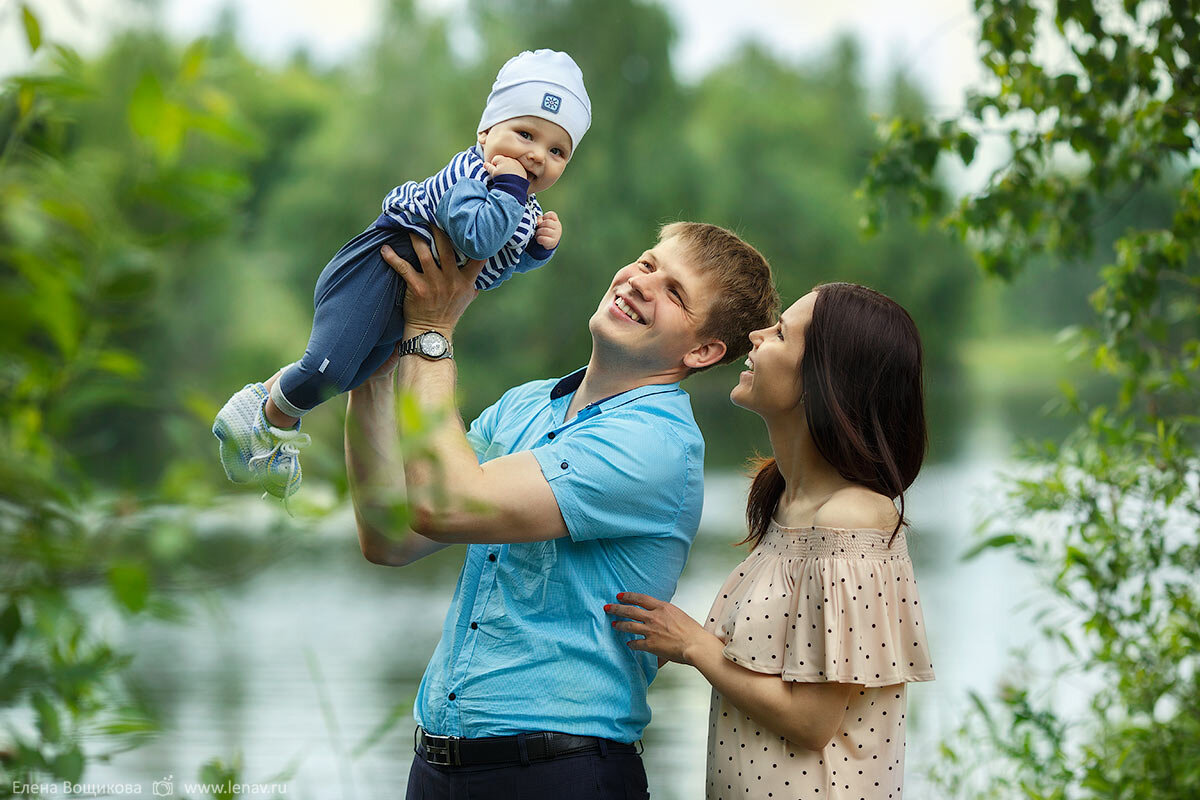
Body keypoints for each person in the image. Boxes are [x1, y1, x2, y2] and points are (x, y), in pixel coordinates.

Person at [344, 220, 778, 799]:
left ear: (703, 351)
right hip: (439, 764)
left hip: (560, 773)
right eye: (648, 264)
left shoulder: (654, 445)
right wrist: (370, 373)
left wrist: (429, 333)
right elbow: (391, 536)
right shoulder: (525, 403)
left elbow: (443, 507)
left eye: (676, 293)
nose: (643, 284)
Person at [605, 283, 936, 799]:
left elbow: (812, 721)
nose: (757, 337)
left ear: (822, 379)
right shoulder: (788, 507)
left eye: (781, 333)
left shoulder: (852, 520)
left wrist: (694, 645)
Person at [212, 49, 590, 499]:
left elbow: (499, 263)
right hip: (379, 267)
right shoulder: (474, 178)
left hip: (405, 295)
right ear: (486, 132)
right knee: (329, 368)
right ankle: (267, 423)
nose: (534, 156)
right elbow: (478, 242)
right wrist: (508, 191)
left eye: (556, 151)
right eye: (524, 134)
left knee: (357, 370)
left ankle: (263, 405)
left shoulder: (519, 205)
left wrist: (537, 248)